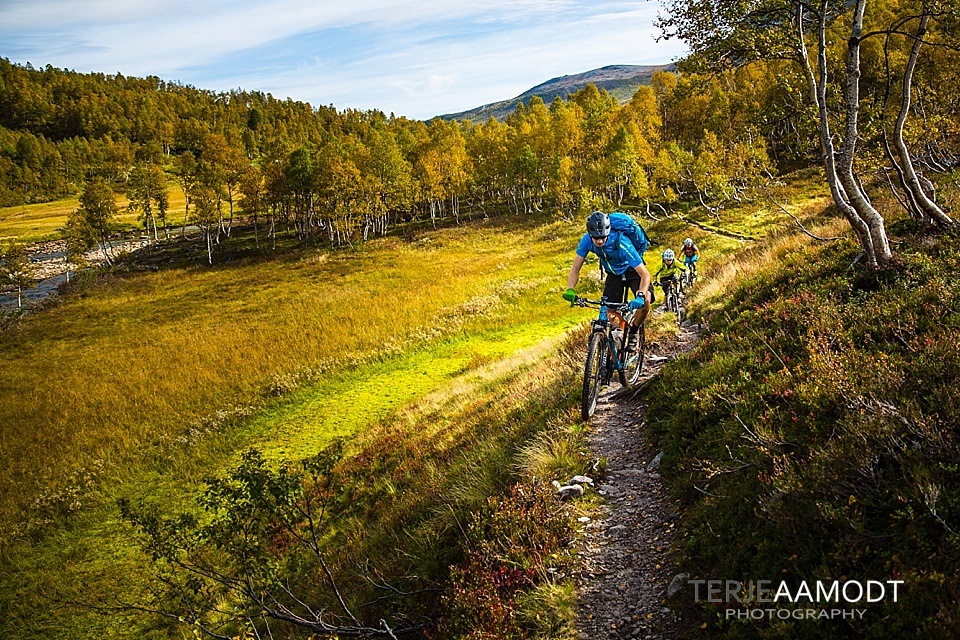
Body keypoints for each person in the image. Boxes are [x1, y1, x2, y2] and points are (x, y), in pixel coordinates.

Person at [563, 211, 651, 349]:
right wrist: (570, 288)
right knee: (610, 313)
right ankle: (608, 360)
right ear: (590, 235)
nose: (599, 241)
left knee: (646, 301)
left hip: (633, 270)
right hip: (614, 274)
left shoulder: (621, 242)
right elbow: (575, 269)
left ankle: (634, 331)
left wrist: (640, 295)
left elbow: (645, 274)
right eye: (596, 238)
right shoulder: (586, 240)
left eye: (603, 237)